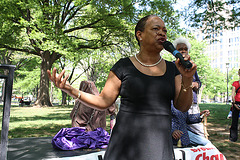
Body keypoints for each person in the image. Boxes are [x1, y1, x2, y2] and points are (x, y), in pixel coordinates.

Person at [47, 15, 197, 160]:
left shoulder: (173, 69)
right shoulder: (123, 66)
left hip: (159, 146)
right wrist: (70, 90)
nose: (162, 33)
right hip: (125, 146)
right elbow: (103, 101)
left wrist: (187, 78)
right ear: (140, 35)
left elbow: (182, 106)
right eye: (156, 29)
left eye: (164, 30)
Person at [173, 37, 205, 137]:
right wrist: (188, 84)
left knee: (198, 131)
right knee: (180, 129)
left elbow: (198, 83)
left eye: (185, 49)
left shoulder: (191, 66)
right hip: (178, 103)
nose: (183, 51)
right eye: (180, 49)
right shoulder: (172, 66)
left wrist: (195, 84)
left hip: (193, 103)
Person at [229, 68, 240, 142]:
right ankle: (233, 137)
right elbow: (233, 94)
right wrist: (234, 104)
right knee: (234, 121)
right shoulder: (235, 83)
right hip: (236, 103)